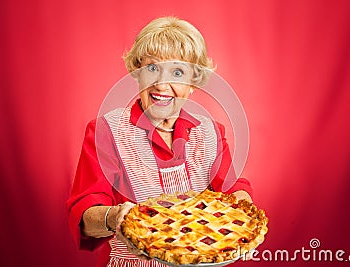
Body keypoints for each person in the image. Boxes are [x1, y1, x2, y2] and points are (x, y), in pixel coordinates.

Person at [66, 16, 253, 267]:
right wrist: (113, 217)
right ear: (137, 72)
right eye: (152, 69)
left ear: (193, 83)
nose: (162, 85)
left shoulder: (210, 132)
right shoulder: (106, 131)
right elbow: (86, 214)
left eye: (177, 72)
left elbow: (232, 190)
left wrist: (244, 219)